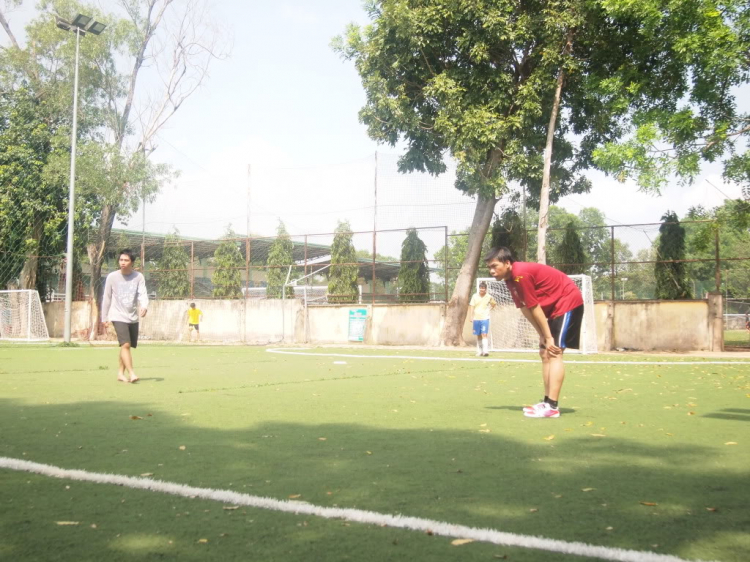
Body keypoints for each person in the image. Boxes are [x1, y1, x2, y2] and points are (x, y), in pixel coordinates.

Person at [485, 246, 583, 418]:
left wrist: (549, 337)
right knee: (544, 353)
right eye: (489, 268)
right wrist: (542, 335)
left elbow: (534, 306)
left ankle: (552, 407)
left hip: (567, 302)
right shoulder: (510, 280)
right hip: (553, 309)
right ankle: (546, 402)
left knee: (555, 352)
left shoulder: (521, 274)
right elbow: (524, 308)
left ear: (507, 263)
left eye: (494, 266)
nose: (492, 271)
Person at [101, 249, 149, 383]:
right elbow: (107, 298)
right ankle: (132, 373)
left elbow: (142, 293)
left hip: (133, 316)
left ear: (132, 262)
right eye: (121, 260)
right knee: (126, 344)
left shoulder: (138, 277)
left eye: (126, 260)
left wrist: (144, 305)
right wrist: (104, 318)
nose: (122, 262)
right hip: (117, 315)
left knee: (125, 347)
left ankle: (120, 373)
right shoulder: (112, 277)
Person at [469, 281, 496, 356]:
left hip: (485, 318)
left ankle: (486, 351)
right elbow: (472, 306)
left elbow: (494, 304)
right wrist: (471, 316)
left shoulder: (489, 297)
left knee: (484, 334)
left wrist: (489, 310)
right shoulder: (474, 296)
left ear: (486, 289)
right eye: (481, 288)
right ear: (479, 289)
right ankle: (480, 351)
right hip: (476, 318)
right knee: (478, 335)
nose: (482, 290)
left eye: (483, 288)